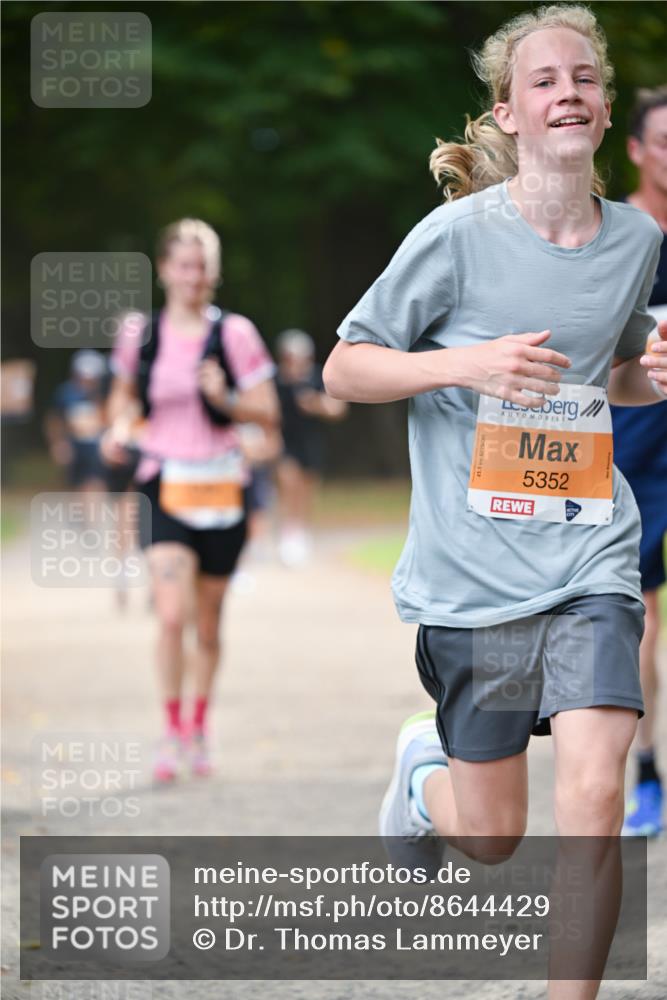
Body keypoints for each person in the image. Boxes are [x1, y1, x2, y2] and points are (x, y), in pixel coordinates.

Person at [323, 6, 665, 997]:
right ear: (509, 113)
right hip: (472, 575)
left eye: (584, 77)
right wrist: (464, 363)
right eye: (543, 80)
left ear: (604, 108)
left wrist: (649, 373)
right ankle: (419, 769)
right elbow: (346, 368)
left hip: (590, 556)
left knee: (594, 799)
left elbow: (607, 374)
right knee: (490, 835)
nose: (568, 92)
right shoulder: (455, 237)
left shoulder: (635, 237)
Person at [102, 219, 279, 780]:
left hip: (222, 485)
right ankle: (171, 728)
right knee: (171, 614)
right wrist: (117, 428)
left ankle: (199, 726)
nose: (193, 276)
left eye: (202, 266)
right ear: (163, 270)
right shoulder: (140, 335)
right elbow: (122, 399)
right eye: (183, 265)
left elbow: (268, 413)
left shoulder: (236, 335)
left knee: (207, 622)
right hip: (163, 480)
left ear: (214, 274)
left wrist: (224, 397)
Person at [611, 86, 667, 838]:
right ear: (633, 150)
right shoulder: (616, 238)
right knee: (642, 619)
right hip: (637, 452)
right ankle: (647, 774)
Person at [275, 328, 347, 566]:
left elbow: (338, 409)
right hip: (286, 442)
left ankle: (301, 533)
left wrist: (315, 405)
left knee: (307, 489)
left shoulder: (318, 377)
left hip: (311, 442)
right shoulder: (277, 380)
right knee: (288, 484)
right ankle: (288, 534)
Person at [45, 349, 109, 493]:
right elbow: (54, 420)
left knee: (95, 488)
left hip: (98, 452)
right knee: (76, 489)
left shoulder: (106, 394)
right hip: (75, 450)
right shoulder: (66, 393)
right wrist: (58, 444)